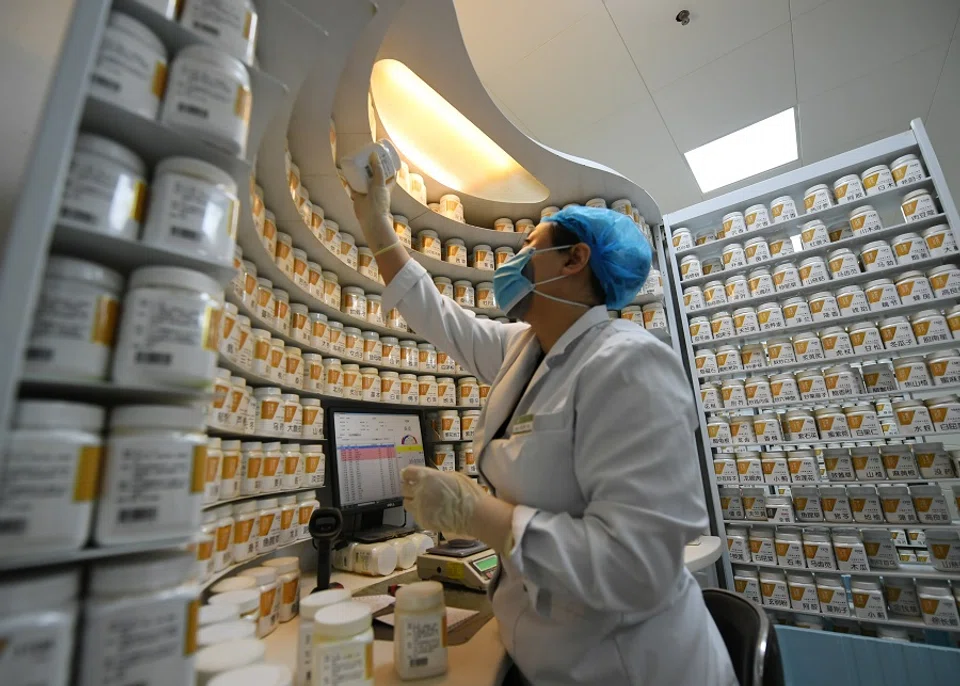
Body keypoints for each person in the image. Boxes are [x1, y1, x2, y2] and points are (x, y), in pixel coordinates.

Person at [351, 155, 736, 686]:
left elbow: (637, 568)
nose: (513, 261)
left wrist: (480, 514)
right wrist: (375, 224)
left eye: (530, 246)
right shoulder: (524, 349)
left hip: (626, 666)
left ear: (575, 258)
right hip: (545, 652)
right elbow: (439, 316)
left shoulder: (627, 364)